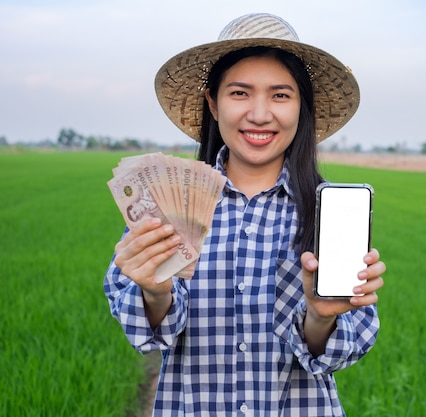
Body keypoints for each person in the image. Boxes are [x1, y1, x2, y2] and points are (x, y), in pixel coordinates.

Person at [104, 13, 385, 416]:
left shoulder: (331, 217)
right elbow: (148, 337)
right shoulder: (166, 204)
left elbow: (340, 352)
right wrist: (154, 290)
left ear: (301, 108)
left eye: (280, 95)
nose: (259, 113)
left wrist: (321, 318)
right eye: (239, 93)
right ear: (213, 105)